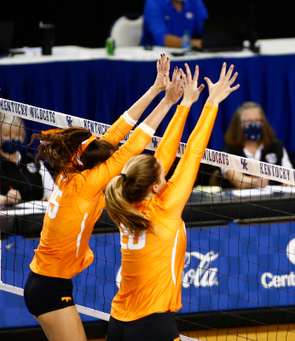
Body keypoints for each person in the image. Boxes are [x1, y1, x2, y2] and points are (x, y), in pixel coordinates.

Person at [22, 54, 186, 341]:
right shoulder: (86, 185)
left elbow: (117, 131)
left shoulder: (70, 172)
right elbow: (132, 145)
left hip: (43, 283)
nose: (103, 145)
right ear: (89, 161)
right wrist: (168, 102)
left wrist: (155, 88)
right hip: (50, 289)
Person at [103, 62, 239, 341]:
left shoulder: (124, 203)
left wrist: (186, 103)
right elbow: (192, 153)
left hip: (118, 323)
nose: (168, 174)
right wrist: (211, 103)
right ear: (154, 187)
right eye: (164, 175)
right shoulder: (164, 209)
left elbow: (164, 154)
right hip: (151, 325)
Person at [214, 101, 293, 189]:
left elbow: (289, 175)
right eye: (248, 121)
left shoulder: (276, 146)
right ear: (238, 125)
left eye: (256, 120)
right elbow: (237, 180)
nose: (253, 125)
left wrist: (289, 181)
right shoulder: (227, 151)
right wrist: (257, 182)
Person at [0, 114, 54, 206]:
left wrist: (50, 195)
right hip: (9, 217)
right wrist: (5, 199)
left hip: (37, 215)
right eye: (7, 135)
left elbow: (51, 189)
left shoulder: (32, 159)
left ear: (23, 136)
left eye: (17, 135)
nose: (13, 139)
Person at [140, 0, 208, 49]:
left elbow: (206, 29)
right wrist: (192, 43)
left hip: (186, 55)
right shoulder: (153, 3)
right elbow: (162, 39)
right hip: (155, 58)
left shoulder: (195, 2)